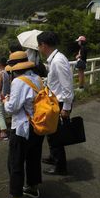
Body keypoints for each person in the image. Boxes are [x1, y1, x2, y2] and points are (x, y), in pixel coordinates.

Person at [0, 51, 45, 198]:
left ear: (13, 68)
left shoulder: (19, 81)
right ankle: (32, 188)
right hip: (38, 126)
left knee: (15, 162)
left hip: (22, 128)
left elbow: (12, 108)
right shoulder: (37, 78)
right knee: (33, 158)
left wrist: (5, 100)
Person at [37, 31, 74, 176]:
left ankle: (60, 167)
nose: (39, 49)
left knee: (56, 134)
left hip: (59, 102)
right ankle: (54, 158)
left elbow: (67, 86)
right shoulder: (55, 59)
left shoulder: (58, 61)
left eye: (39, 46)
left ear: (44, 45)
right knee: (51, 133)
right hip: (55, 101)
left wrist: (66, 107)